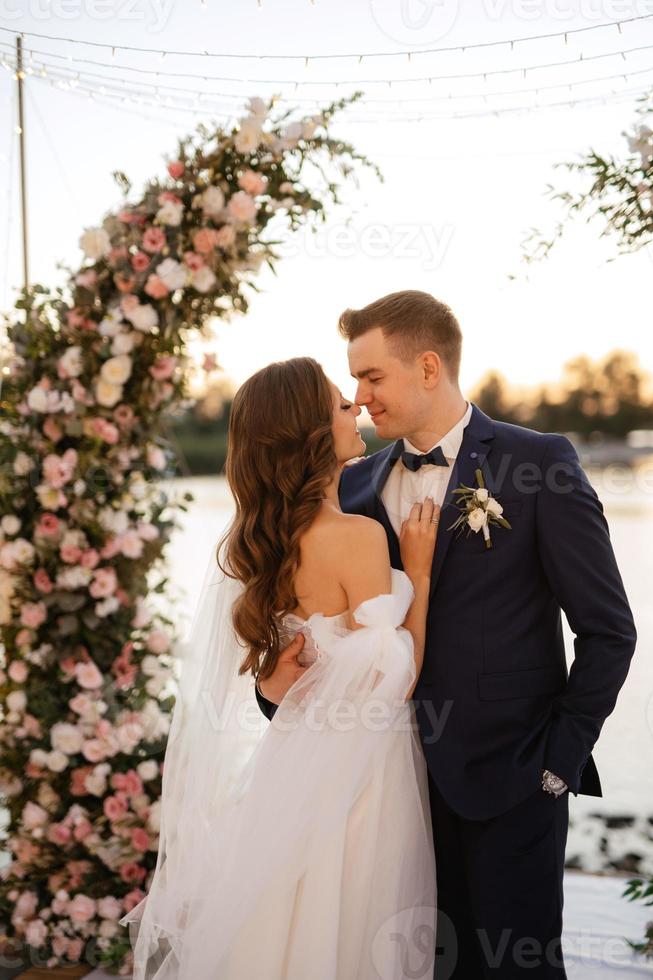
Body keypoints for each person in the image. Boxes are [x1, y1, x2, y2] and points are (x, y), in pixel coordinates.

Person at [256, 290, 638, 978]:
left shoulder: (540, 463)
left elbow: (609, 630)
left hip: (512, 781)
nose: (360, 397)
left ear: (428, 367)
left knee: (519, 968)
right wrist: (276, 694)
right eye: (354, 382)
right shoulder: (355, 484)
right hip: (385, 793)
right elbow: (322, 628)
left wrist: (558, 762)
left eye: (372, 377)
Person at [120, 356, 440, 979]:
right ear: (312, 434)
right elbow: (394, 683)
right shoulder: (358, 537)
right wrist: (420, 575)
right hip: (360, 775)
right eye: (340, 405)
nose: (356, 406)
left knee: (288, 923)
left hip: (290, 765)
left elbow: (293, 669)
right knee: (351, 922)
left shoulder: (266, 540)